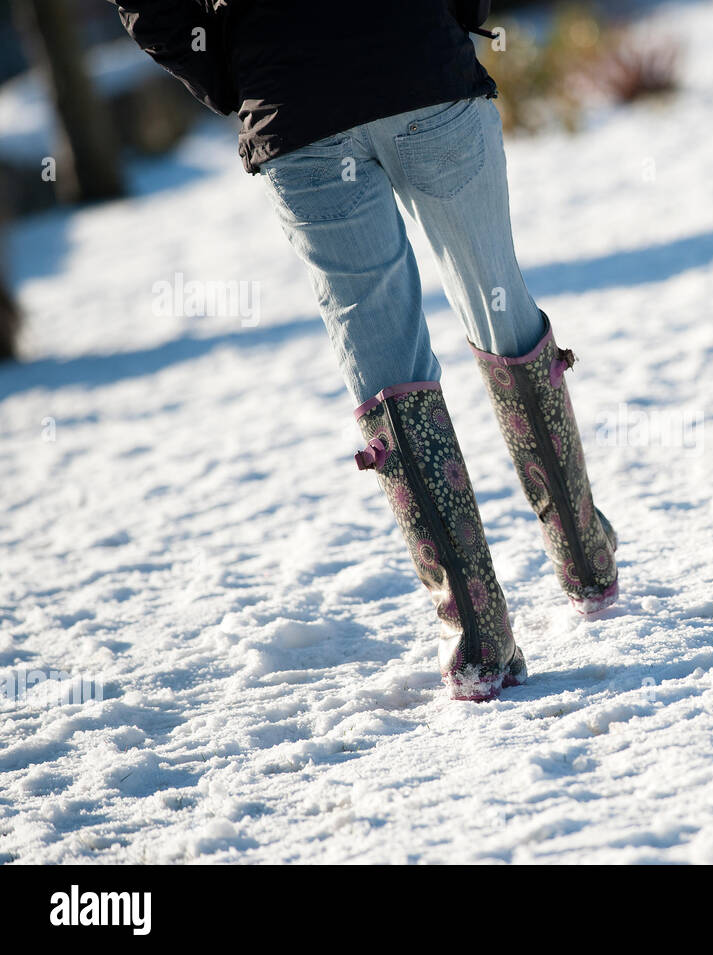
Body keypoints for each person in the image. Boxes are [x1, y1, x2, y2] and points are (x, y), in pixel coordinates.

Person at [115, 0, 619, 701]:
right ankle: (583, 555)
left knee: (386, 366)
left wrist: (237, 70)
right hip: (418, 67)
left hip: (297, 103)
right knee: (498, 302)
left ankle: (475, 634)